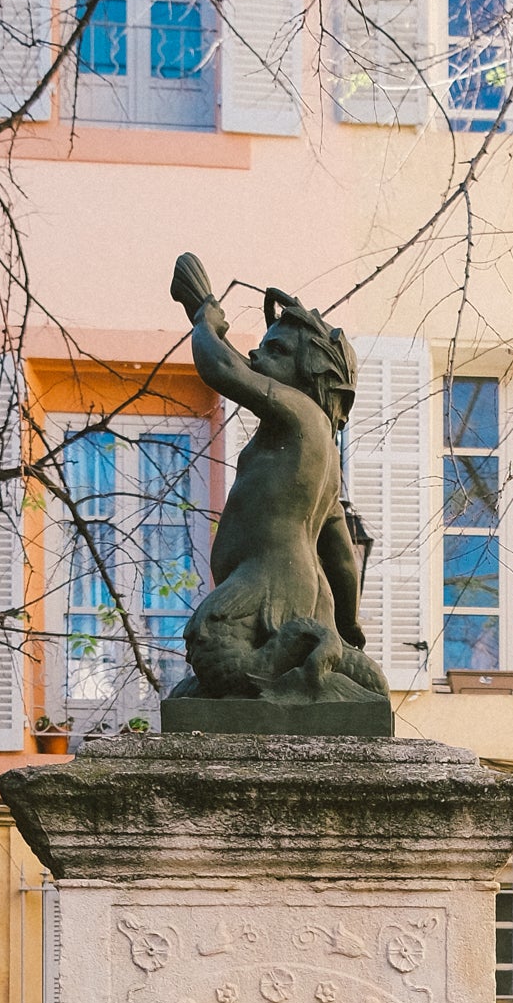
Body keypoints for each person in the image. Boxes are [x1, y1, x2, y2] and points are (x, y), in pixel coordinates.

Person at [167, 252, 391, 705]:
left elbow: (224, 369)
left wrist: (203, 317)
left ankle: (279, 668)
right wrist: (347, 626)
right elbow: (342, 558)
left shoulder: (300, 413)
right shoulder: (320, 455)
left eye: (277, 351)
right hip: (307, 591)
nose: (257, 354)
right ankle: (314, 656)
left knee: (209, 646)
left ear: (310, 378)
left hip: (266, 586)